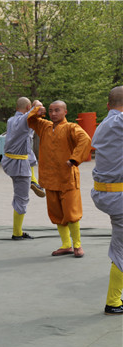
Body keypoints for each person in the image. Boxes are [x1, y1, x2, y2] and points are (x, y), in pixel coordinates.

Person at [27, 100, 92, 257]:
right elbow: (31, 119)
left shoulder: (71, 128)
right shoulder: (45, 127)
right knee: (57, 214)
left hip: (67, 178)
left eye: (57, 110)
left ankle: (77, 245)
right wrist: (38, 108)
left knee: (71, 213)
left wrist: (74, 159)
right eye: (50, 110)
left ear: (65, 112)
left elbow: (86, 140)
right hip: (50, 179)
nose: (53, 113)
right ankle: (66, 244)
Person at [91, 86, 123, 315]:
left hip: (105, 193)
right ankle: (113, 302)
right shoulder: (119, 122)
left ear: (108, 105)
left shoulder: (103, 124)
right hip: (118, 196)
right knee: (121, 248)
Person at [2, 97, 44, 240]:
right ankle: (17, 233)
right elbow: (39, 107)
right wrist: (36, 103)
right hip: (18, 165)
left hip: (13, 160)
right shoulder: (22, 121)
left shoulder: (11, 120)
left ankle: (33, 180)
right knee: (21, 198)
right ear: (27, 107)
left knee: (30, 154)